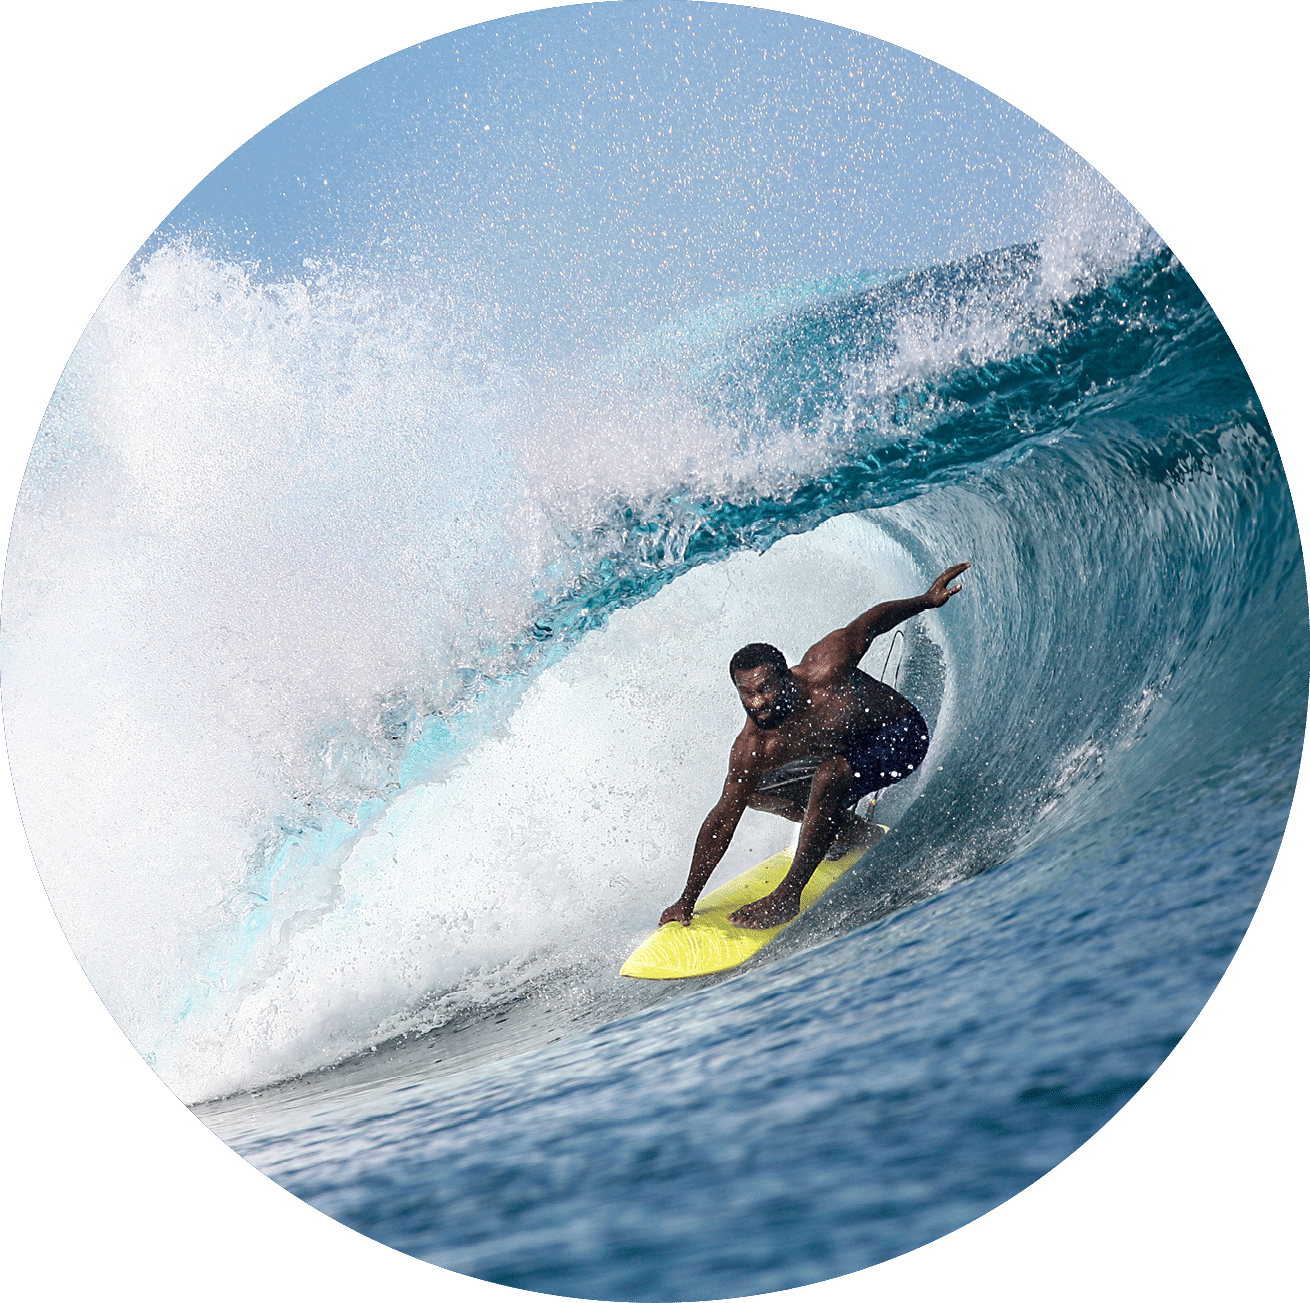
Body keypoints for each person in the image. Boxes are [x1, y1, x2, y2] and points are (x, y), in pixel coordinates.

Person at [659, 563, 969, 930]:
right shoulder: (752, 747)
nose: (758, 702)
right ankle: (847, 832)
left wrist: (925, 601)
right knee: (750, 792)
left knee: (829, 774)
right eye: (748, 693)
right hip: (842, 759)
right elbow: (722, 819)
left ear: (787, 677)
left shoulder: (826, 668)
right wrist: (687, 898)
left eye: (766, 688)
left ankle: (789, 895)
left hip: (900, 738)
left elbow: (869, 623)